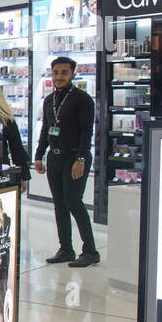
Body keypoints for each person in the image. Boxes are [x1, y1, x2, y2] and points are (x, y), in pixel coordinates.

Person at [34, 56, 98, 267]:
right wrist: (39, 154)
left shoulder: (83, 99)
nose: (59, 77)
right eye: (56, 73)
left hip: (74, 156)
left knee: (73, 202)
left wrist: (80, 158)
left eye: (64, 73)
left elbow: (87, 132)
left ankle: (90, 251)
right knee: (59, 205)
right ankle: (66, 249)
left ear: (72, 74)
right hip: (55, 156)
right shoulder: (49, 100)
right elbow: (45, 129)